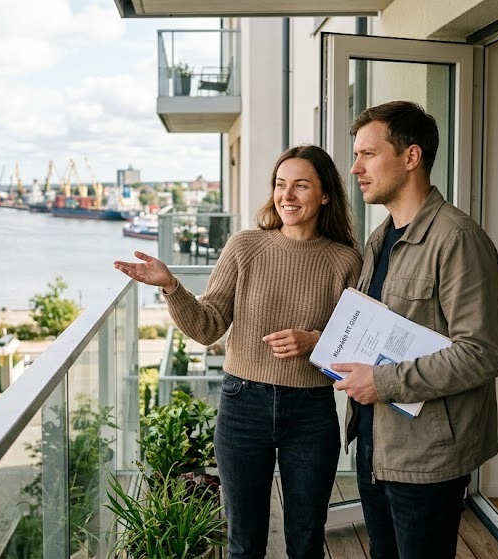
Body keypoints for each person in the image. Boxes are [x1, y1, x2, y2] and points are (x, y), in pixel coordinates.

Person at [115, 145, 362, 557]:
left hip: (311, 411)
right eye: (280, 185)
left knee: (306, 543)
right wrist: (172, 287)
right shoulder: (246, 247)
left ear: (325, 195)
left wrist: (314, 341)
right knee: (244, 545)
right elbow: (207, 324)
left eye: (301, 185)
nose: (287, 195)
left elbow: (357, 345)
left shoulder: (345, 261)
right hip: (243, 406)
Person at [332, 101, 498, 558]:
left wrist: (383, 380)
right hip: (374, 445)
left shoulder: (457, 239)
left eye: (368, 154)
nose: (355, 168)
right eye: (357, 155)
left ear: (411, 157)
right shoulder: (379, 238)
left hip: (427, 459)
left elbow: (482, 353)